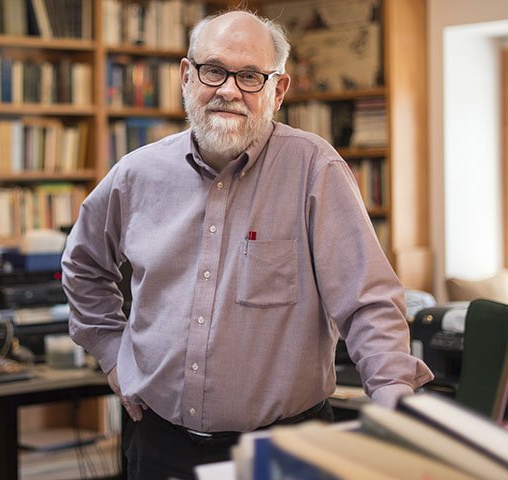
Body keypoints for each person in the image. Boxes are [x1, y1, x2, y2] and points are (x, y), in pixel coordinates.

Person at [61, 9, 433, 480]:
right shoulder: (136, 175)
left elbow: (368, 302)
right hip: (159, 447)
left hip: (285, 453)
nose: (229, 90)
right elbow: (83, 265)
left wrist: (393, 395)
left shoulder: (315, 170)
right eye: (213, 70)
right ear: (186, 76)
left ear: (278, 91)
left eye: (251, 76)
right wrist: (113, 354)